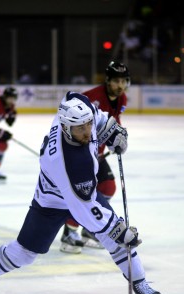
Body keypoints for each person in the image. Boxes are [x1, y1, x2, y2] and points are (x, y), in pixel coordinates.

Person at [0, 91, 164, 294]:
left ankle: (141, 283)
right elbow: (84, 209)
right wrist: (117, 229)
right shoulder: (68, 161)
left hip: (81, 193)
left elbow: (80, 101)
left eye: (88, 125)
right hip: (51, 202)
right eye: (80, 129)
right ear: (66, 128)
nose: (87, 132)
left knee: (117, 242)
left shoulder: (75, 110)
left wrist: (112, 130)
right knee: (24, 253)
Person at [59, 61, 130, 253]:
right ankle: (70, 231)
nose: (120, 86)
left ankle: (88, 229)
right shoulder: (92, 98)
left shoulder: (122, 99)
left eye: (124, 81)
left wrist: (116, 138)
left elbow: (113, 122)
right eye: (116, 81)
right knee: (84, 193)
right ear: (107, 81)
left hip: (95, 153)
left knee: (107, 187)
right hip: (82, 152)